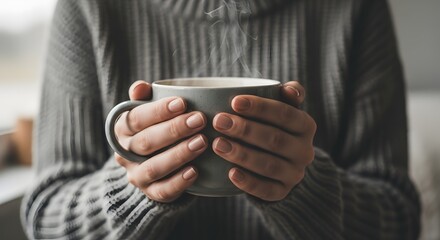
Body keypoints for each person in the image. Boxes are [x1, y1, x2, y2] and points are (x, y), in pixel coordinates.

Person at [22, 0, 421, 239]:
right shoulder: (91, 8)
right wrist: (132, 187)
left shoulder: (354, 8)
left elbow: (400, 220)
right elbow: (45, 218)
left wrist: (303, 185)